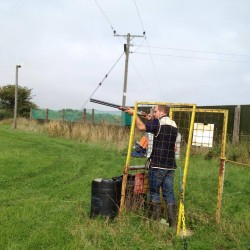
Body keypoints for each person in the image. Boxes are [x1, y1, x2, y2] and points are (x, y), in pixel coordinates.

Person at [125, 105, 178, 228]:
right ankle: (173, 226)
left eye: (155, 111)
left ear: (161, 111)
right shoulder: (174, 124)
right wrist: (151, 119)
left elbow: (141, 127)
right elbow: (162, 135)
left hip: (157, 165)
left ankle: (154, 225)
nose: (154, 113)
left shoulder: (158, 123)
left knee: (154, 193)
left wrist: (134, 114)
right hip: (170, 166)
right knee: (169, 194)